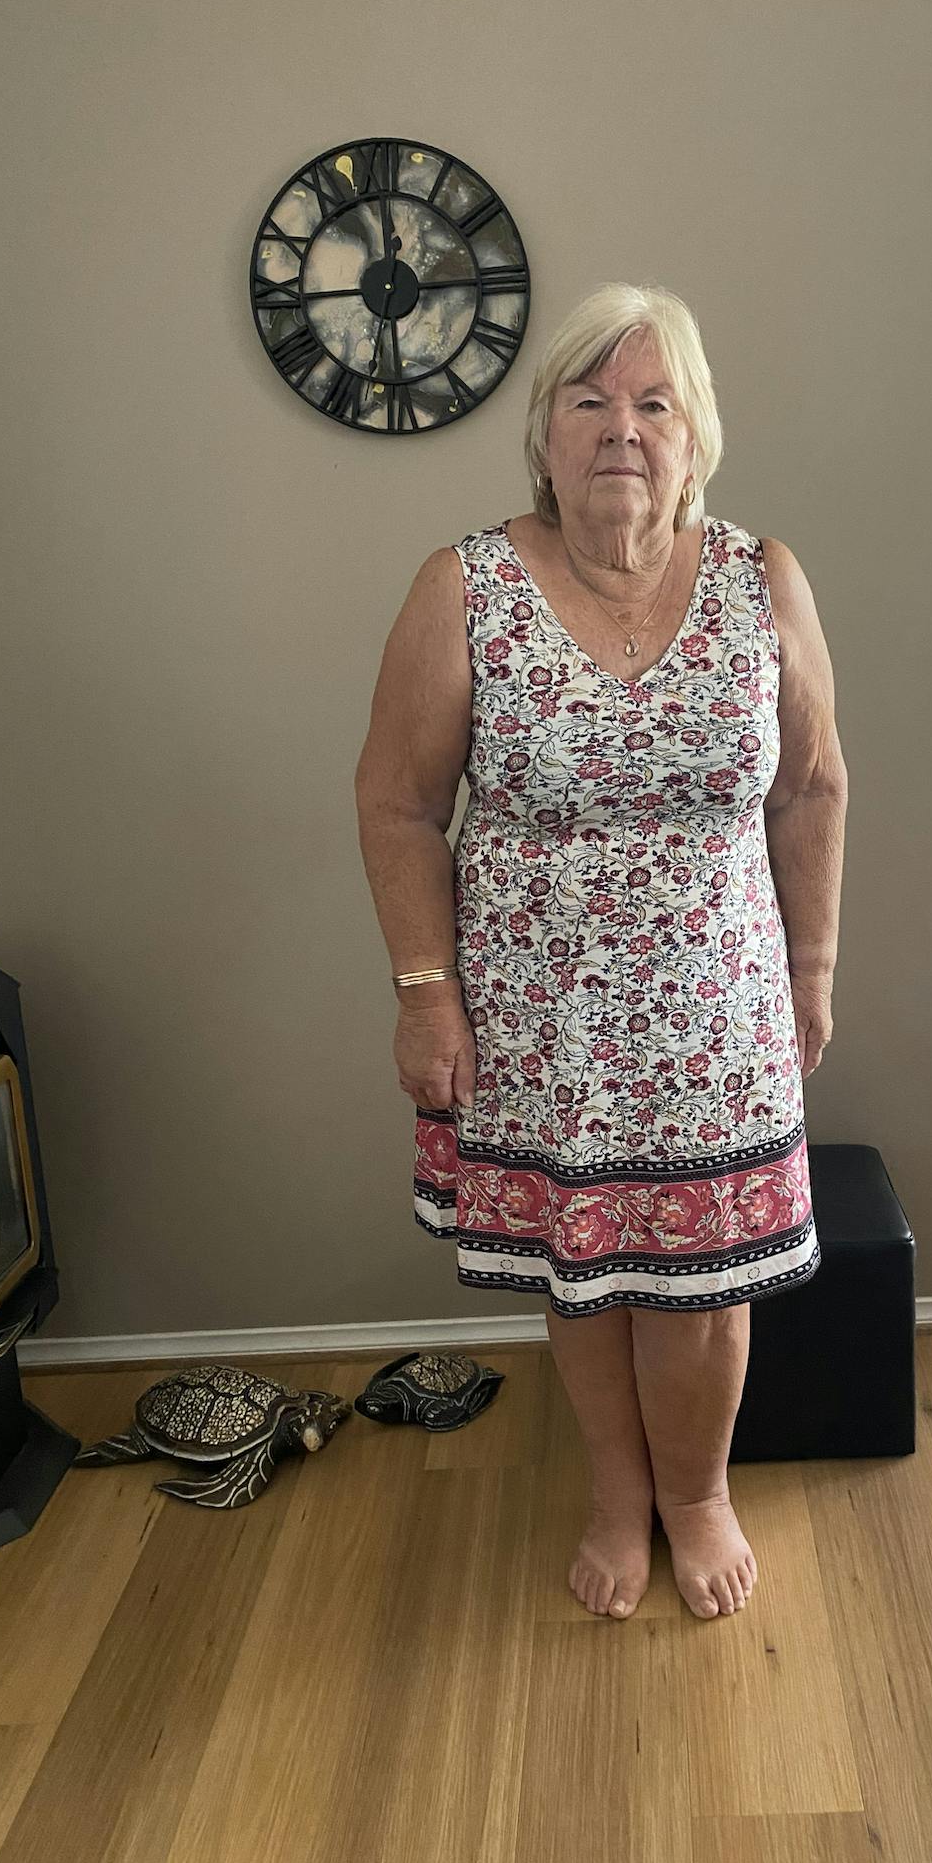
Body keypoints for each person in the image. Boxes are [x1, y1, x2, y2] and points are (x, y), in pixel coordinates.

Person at [354, 283, 847, 1621]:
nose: (622, 429)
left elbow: (811, 788)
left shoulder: (762, 580)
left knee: (703, 1289)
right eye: (590, 401)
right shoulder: (465, 587)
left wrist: (811, 970)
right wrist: (425, 997)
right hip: (539, 1021)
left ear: (696, 439)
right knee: (584, 1278)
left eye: (654, 403)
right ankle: (617, 1496)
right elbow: (397, 803)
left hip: (717, 1015)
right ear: (545, 435)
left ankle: (699, 1495)